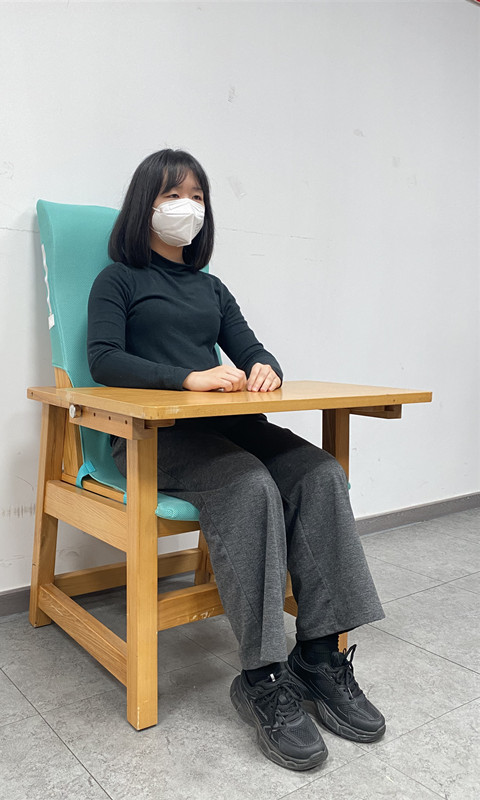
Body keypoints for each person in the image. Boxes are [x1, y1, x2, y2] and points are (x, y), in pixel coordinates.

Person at [87, 148, 386, 771]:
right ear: (145, 205)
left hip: (230, 426)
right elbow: (104, 359)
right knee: (250, 485)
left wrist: (263, 368)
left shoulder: (211, 287)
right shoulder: (118, 280)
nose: (187, 207)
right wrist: (186, 378)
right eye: (173, 195)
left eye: (197, 197)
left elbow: (253, 348)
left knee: (322, 475)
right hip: (158, 438)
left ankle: (319, 657)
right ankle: (262, 678)